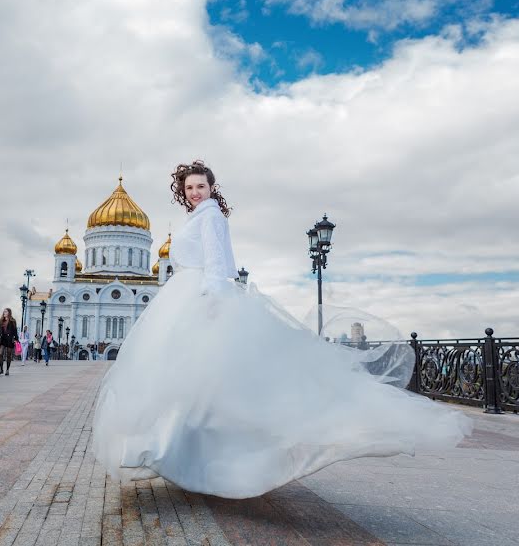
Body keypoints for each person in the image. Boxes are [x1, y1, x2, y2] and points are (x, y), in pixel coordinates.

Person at [91, 160, 472, 499]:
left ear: (211, 187)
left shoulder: (210, 217)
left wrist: (212, 305)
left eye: (201, 186)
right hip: (187, 295)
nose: (195, 192)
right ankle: (171, 453)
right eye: (189, 187)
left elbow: (218, 263)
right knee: (194, 385)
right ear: (183, 191)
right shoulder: (199, 217)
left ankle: (171, 453)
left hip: (201, 298)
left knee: (195, 382)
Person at [0, 308, 18, 376]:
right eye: (4, 311)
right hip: (2, 339)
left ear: (9, 313)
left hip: (10, 339)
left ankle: (7, 369)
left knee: (8, 355)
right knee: (0, 354)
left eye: (6, 311)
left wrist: (16, 339)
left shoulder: (13, 321)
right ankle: (1, 369)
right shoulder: (1, 321)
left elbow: (15, 331)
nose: (4, 313)